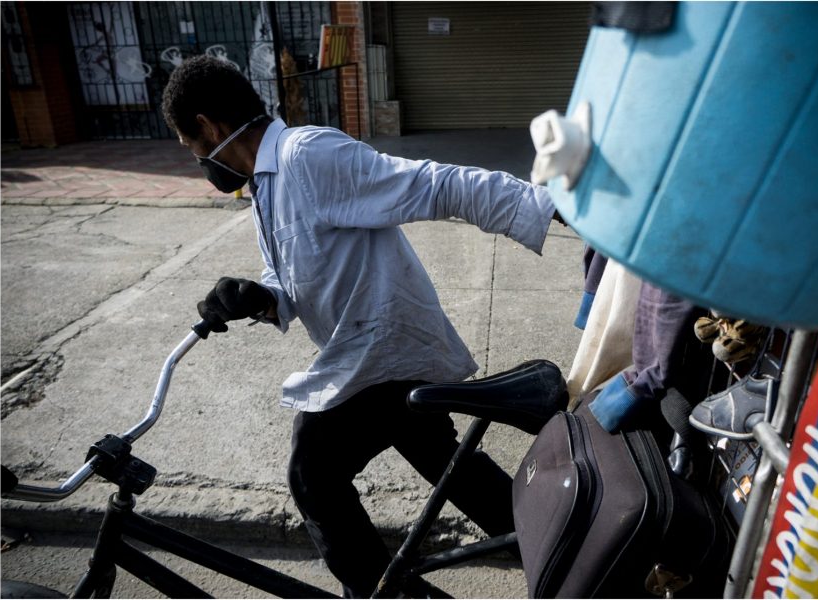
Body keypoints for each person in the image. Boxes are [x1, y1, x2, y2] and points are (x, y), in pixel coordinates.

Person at [161, 55, 559, 597]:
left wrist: (542, 205)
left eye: (191, 147)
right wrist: (260, 298)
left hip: (384, 353)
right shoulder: (265, 188)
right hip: (379, 354)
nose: (200, 162)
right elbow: (292, 277)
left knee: (312, 472)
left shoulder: (306, 155)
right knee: (454, 471)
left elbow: (433, 184)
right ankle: (570, 553)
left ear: (208, 128)